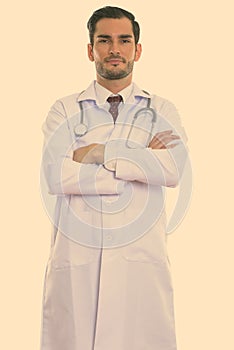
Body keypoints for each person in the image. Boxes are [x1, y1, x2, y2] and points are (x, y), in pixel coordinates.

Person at [40, 6, 188, 350]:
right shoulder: (64, 109)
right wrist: (140, 161)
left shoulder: (162, 109)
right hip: (79, 260)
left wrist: (99, 154)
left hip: (138, 262)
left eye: (124, 40)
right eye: (104, 40)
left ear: (137, 50)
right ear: (90, 49)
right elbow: (55, 175)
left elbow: (174, 169)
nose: (114, 49)